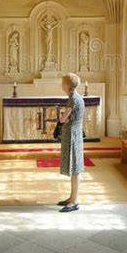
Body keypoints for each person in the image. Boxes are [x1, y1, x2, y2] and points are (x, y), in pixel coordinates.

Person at [57, 72, 85, 212]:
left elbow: (63, 120)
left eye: (63, 82)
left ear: (68, 85)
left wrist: (62, 116)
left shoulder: (73, 99)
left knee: (74, 169)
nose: (61, 85)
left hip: (73, 136)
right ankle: (71, 197)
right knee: (74, 168)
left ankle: (74, 201)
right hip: (75, 134)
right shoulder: (77, 97)